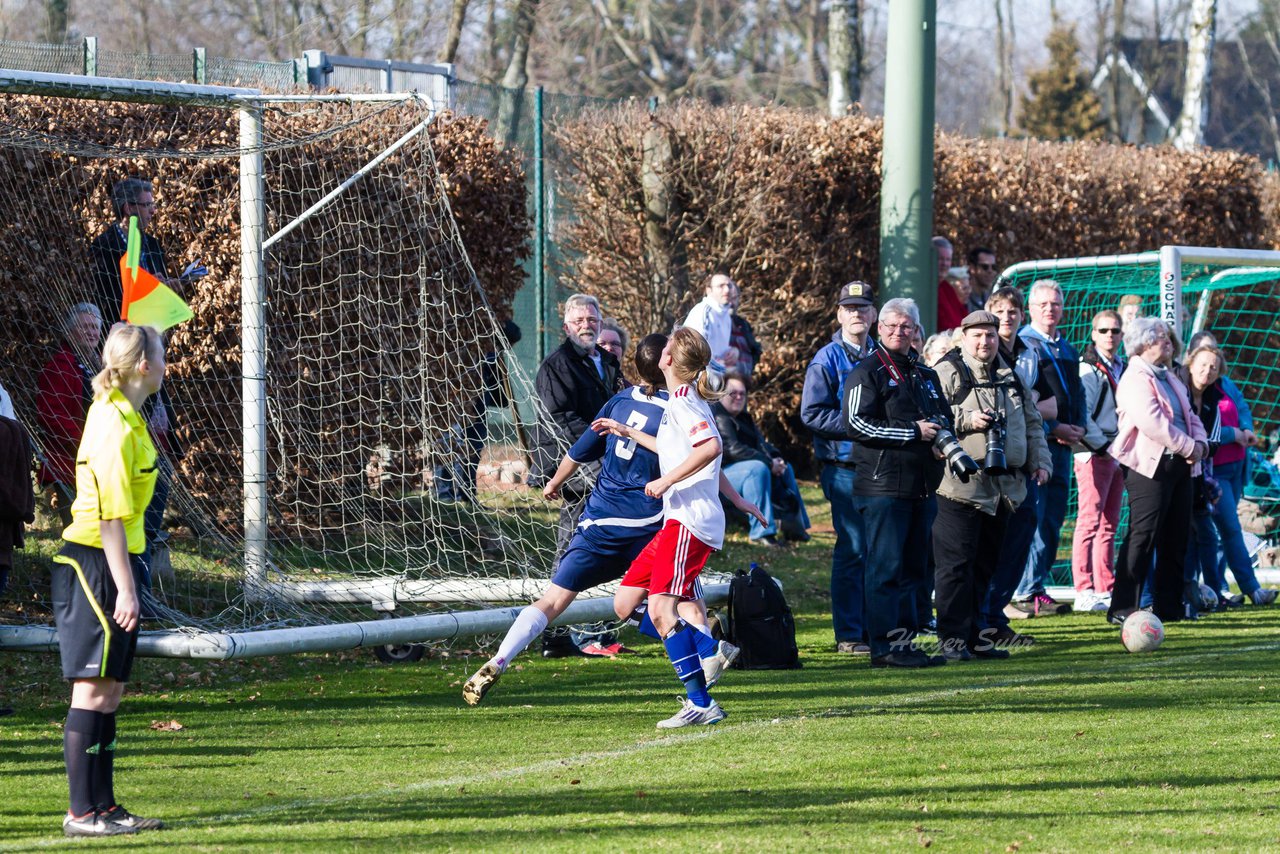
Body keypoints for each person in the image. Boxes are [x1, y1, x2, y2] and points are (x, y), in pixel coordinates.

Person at [461, 335, 741, 706]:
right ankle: (706, 655)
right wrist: (734, 498)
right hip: (650, 522)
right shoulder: (676, 408)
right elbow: (707, 453)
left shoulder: (619, 402)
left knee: (553, 601)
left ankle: (501, 657)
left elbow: (579, 453)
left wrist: (553, 483)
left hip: (600, 522)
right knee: (682, 600)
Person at [594, 327, 767, 728]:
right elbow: (684, 450)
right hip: (679, 520)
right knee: (624, 605)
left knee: (659, 610)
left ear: (668, 360)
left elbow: (711, 448)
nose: (660, 350)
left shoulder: (686, 402)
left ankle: (701, 702)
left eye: (666, 347)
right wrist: (629, 432)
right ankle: (708, 646)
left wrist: (666, 481)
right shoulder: (679, 401)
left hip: (690, 522)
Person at [53, 323, 167, 837]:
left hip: (117, 562)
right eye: (162, 354)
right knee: (91, 691)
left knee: (111, 691)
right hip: (97, 563)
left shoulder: (131, 418)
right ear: (144, 366)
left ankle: (105, 806)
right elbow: (110, 520)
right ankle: (81, 812)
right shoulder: (113, 425)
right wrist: (125, 588)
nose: (167, 363)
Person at [932, 311, 1051, 660]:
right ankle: (952, 641)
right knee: (956, 568)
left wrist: (1040, 461)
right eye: (978, 335)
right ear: (963, 338)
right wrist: (968, 421)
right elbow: (930, 415)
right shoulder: (947, 370)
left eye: (990, 335)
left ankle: (976, 637)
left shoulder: (1010, 372)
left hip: (1005, 488)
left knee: (986, 565)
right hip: (960, 485)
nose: (985, 342)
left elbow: (1032, 422)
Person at [844, 297, 951, 669]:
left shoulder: (926, 375)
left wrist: (941, 442)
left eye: (905, 326)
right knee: (885, 569)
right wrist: (912, 433)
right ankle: (884, 648)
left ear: (916, 331)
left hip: (922, 487)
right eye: (889, 325)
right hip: (882, 488)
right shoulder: (868, 371)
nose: (897, 332)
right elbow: (856, 424)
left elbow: (943, 419)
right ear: (878, 328)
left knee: (913, 571)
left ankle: (905, 644)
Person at [1107, 318, 1207, 625]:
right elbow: (1152, 423)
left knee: (1177, 536)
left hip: (1180, 466)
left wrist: (1201, 443)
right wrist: (1191, 447)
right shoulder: (1135, 377)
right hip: (1149, 467)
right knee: (1143, 535)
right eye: (1161, 338)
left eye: (1167, 337)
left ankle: (1170, 607)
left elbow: (1190, 414)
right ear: (1144, 343)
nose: (1168, 342)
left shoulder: (1171, 377)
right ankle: (1123, 608)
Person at [800, 281, 878, 655]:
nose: (857, 314)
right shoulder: (827, 358)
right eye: (850, 308)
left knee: (879, 549)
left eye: (862, 308)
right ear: (839, 315)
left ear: (873, 314)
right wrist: (858, 424)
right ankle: (849, 633)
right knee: (853, 548)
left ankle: (874, 627)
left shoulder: (881, 354)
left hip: (880, 465)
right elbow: (811, 413)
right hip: (844, 465)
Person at [982, 287, 1055, 645]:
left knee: (1021, 536)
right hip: (988, 466)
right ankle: (979, 617)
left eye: (1013, 311)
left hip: (1023, 460)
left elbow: (1048, 406)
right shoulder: (976, 354)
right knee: (989, 543)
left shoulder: (1029, 353)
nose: (1007, 317)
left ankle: (995, 614)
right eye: (1000, 310)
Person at [1008, 280, 1082, 617]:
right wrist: (1055, 427)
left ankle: (1037, 586)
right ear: (1032, 309)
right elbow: (1025, 402)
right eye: (1043, 304)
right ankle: (1024, 589)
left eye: (1055, 303)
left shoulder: (1066, 347)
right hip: (1042, 444)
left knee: (1054, 519)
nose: (1050, 309)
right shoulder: (1026, 345)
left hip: (1067, 446)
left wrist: (1079, 428)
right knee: (1033, 518)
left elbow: (1075, 393)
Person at [1182, 345, 1277, 606]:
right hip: (1213, 472)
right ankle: (1251, 588)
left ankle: (1212, 590)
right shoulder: (1186, 393)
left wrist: (1245, 428)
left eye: (1213, 365)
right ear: (1190, 362)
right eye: (1203, 364)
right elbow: (1203, 433)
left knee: (1210, 534)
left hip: (1236, 467)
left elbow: (1243, 408)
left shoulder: (1223, 386)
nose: (1208, 370)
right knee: (1229, 530)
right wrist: (1233, 434)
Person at [530, 294, 624, 555]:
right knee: (583, 516)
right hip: (568, 453)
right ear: (566, 327)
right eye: (579, 320)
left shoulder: (608, 362)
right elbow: (560, 419)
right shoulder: (556, 366)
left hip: (604, 449)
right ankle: (561, 581)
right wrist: (604, 444)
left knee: (589, 517)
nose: (586, 325)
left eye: (592, 319)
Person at [714, 371, 810, 547]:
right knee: (757, 468)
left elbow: (762, 444)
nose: (738, 397)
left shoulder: (744, 417)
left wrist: (776, 458)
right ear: (721, 394)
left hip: (742, 470)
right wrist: (768, 463)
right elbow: (732, 450)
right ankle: (761, 533)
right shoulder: (719, 416)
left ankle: (797, 527)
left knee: (786, 468)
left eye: (742, 393)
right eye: (732, 393)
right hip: (721, 477)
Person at [1070, 310, 1125, 612]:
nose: (1109, 336)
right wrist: (1103, 445)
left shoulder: (1121, 366)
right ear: (1093, 334)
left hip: (1117, 450)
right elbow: (1083, 413)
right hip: (1094, 451)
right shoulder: (1087, 369)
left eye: (1115, 331)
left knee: (1109, 523)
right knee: (1089, 520)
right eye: (1103, 330)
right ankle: (1084, 587)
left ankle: (1106, 585)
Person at [37, 304, 104, 526]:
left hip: (101, 460)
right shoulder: (59, 366)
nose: (92, 332)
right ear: (69, 332)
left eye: (95, 327)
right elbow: (50, 414)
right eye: (85, 326)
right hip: (69, 462)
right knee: (80, 529)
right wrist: (85, 442)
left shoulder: (98, 365)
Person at [681, 271, 739, 372]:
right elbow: (699, 353)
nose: (726, 290)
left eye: (729, 286)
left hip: (716, 376)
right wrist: (721, 369)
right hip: (698, 377)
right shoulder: (703, 312)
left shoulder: (726, 316)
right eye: (721, 286)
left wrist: (733, 351)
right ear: (709, 290)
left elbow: (718, 350)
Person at [728, 281, 763, 378]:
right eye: (728, 297)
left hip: (742, 384)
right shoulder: (713, 323)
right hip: (719, 385)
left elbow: (755, 350)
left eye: (734, 298)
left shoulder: (743, 325)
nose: (731, 302)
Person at [934, 237, 967, 332]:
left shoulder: (947, 288)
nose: (944, 263)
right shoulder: (927, 287)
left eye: (948, 259)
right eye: (940, 259)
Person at [966, 247, 998, 313]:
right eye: (985, 267)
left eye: (993, 267)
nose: (990, 271)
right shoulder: (963, 297)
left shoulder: (991, 296)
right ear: (972, 268)